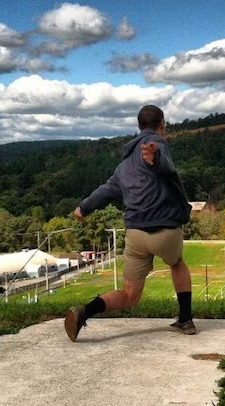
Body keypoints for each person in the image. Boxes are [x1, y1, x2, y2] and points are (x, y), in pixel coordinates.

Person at [64, 104, 195, 341]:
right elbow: (165, 165)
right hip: (165, 230)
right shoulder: (157, 143)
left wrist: (83, 207)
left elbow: (105, 191)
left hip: (136, 235)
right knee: (177, 263)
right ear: (162, 124)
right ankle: (185, 320)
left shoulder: (123, 167)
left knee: (129, 295)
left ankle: (85, 311)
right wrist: (155, 159)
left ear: (138, 126)